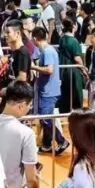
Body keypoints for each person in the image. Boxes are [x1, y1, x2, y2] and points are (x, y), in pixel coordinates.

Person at [0, 82, 40, 188]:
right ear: (21, 105)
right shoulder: (25, 133)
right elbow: (31, 178)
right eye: (29, 105)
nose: (29, 109)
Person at [32, 27, 69, 155]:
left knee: (46, 119)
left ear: (35, 39)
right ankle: (47, 144)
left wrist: (34, 67)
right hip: (48, 89)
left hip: (49, 91)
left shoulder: (47, 51)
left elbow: (49, 70)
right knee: (45, 118)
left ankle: (61, 141)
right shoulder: (48, 50)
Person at [58, 19, 86, 113]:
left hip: (64, 70)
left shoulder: (62, 39)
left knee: (66, 95)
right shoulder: (74, 41)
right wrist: (84, 69)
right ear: (74, 26)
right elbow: (77, 58)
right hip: (74, 72)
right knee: (76, 95)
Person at [3, 20, 32, 85]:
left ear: (18, 33)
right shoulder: (15, 51)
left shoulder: (23, 52)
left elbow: (22, 77)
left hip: (19, 91)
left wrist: (7, 88)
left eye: (8, 32)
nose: (5, 35)